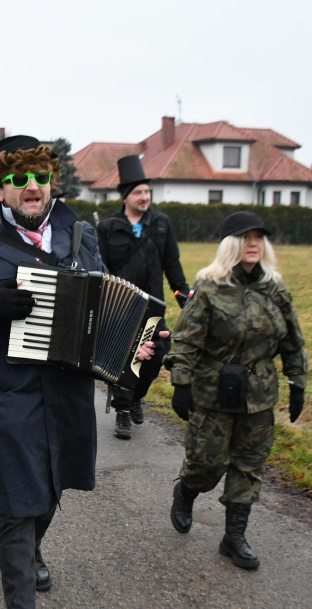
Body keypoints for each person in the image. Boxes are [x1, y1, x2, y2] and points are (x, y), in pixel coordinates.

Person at [0, 135, 160, 609]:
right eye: (17, 178)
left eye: (38, 176)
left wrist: (141, 345)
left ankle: (32, 546)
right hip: (11, 394)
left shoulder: (80, 235)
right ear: (0, 188)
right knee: (17, 500)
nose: (29, 186)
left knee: (53, 488)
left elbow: (109, 307)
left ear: (51, 180)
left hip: (70, 392)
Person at [164, 211, 308, 570]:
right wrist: (181, 383)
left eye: (259, 237)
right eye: (246, 238)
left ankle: (234, 537)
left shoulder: (275, 290)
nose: (254, 244)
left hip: (258, 394)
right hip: (213, 392)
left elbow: (292, 341)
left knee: (249, 465)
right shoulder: (210, 287)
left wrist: (297, 382)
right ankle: (186, 492)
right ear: (232, 245)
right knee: (206, 462)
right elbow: (185, 339)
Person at [96, 154, 190, 440]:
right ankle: (123, 410)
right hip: (119, 305)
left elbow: (173, 266)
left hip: (153, 305)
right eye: (138, 192)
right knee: (124, 357)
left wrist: (185, 300)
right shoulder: (108, 227)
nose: (144, 197)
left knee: (156, 355)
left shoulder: (161, 224)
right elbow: (99, 268)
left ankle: (136, 397)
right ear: (125, 197)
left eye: (147, 192)